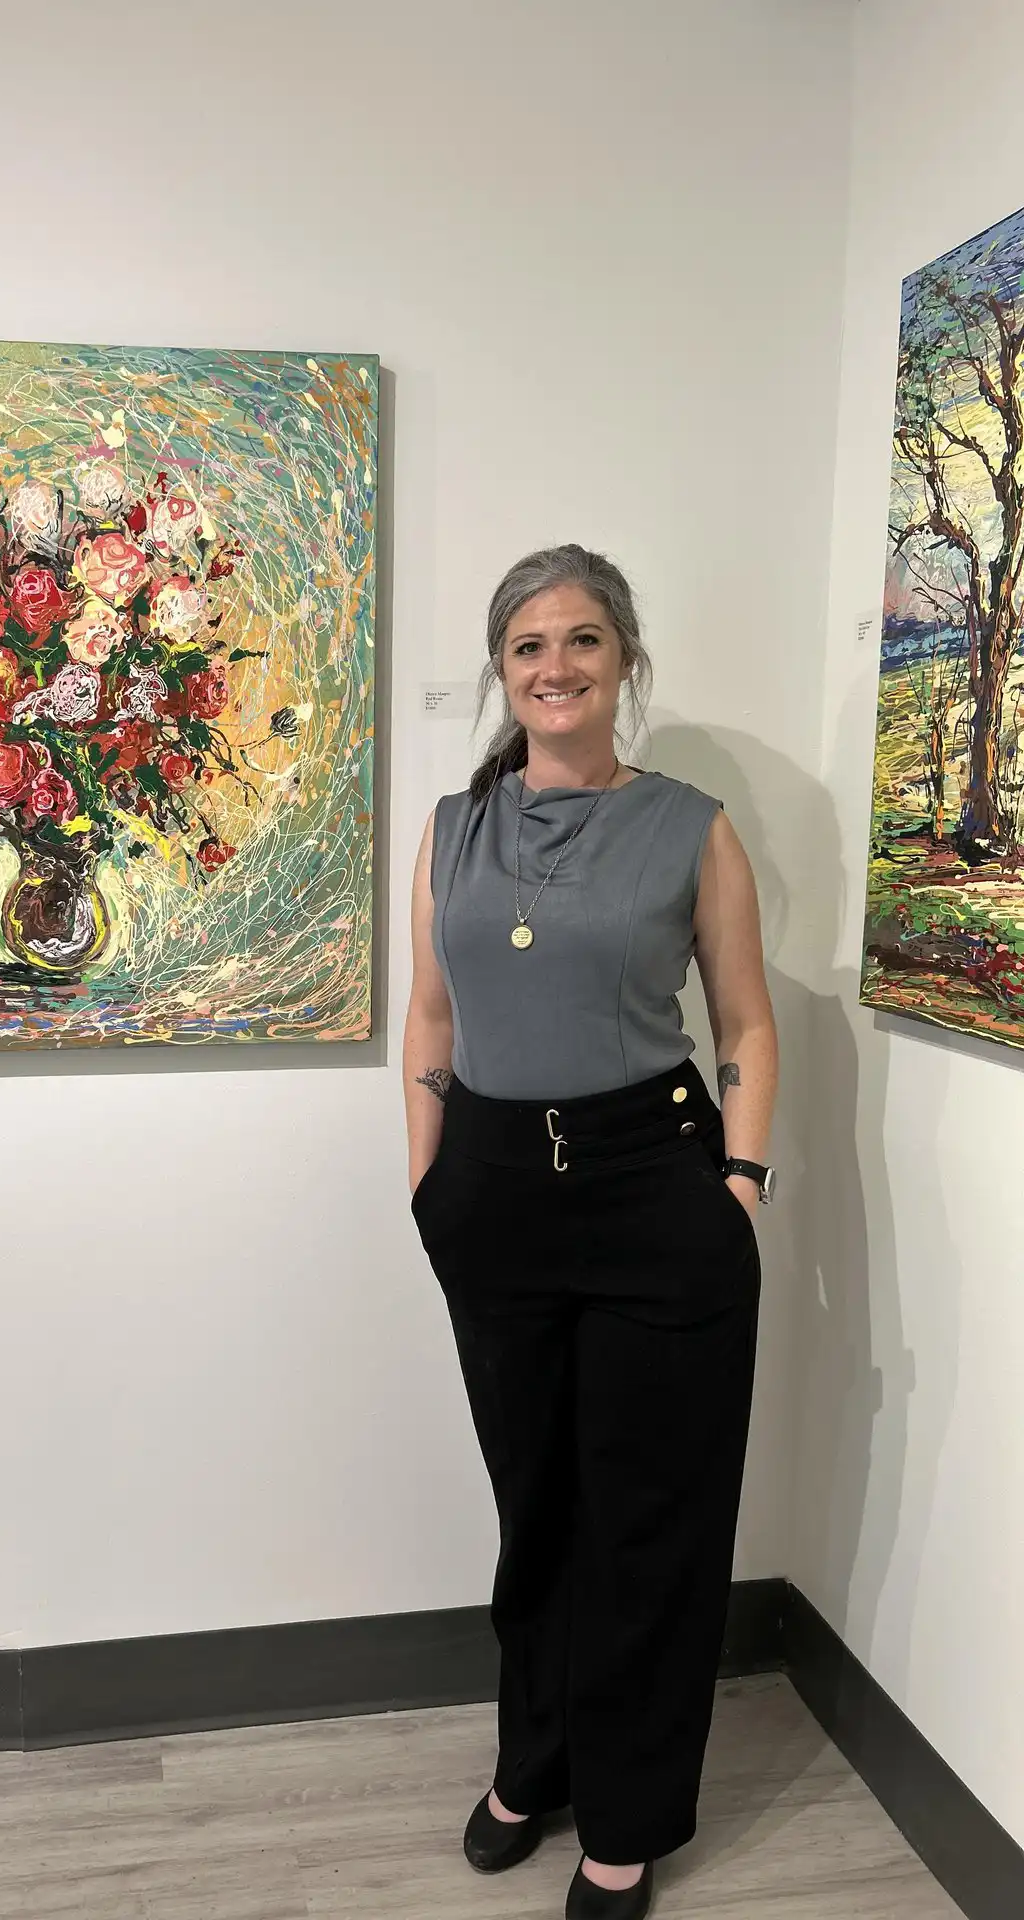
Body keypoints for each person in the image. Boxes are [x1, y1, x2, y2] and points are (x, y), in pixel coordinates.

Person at [403, 545, 778, 1920]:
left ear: (623, 661)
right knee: (539, 1509)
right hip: (493, 1196)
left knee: (649, 1522)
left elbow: (744, 1020)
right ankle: (535, 1763)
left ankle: (625, 1817)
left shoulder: (691, 825)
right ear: (504, 672)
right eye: (527, 648)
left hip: (651, 1186)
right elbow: (433, 1019)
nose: (554, 668)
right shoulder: (454, 826)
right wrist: (430, 1185)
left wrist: (738, 1185)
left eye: (582, 642)